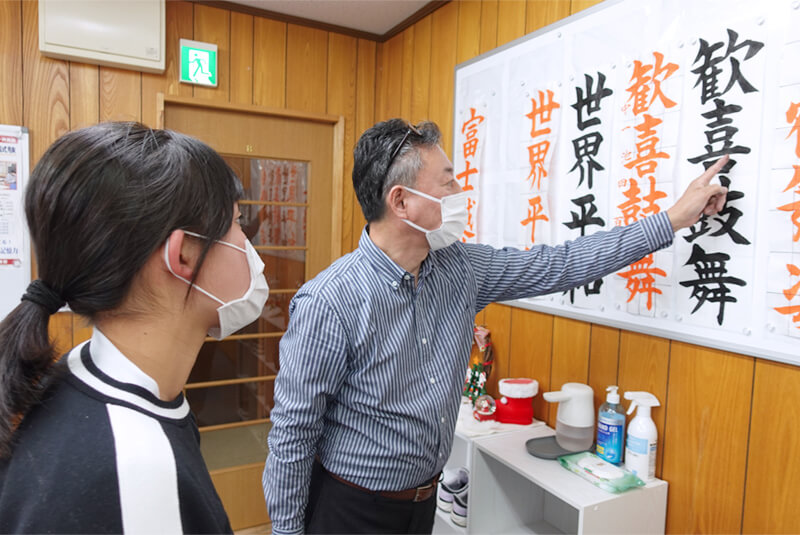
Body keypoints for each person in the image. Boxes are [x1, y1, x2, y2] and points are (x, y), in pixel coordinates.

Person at [262, 119, 728, 534]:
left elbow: (561, 265)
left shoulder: (460, 268)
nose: (459, 196)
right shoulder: (330, 300)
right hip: (350, 508)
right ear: (401, 201)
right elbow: (292, 431)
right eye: (448, 185)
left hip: (423, 503)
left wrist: (671, 220)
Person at [0, 122, 269, 533]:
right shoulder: (133, 471)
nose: (250, 250)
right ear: (184, 256)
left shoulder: (83, 373)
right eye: (236, 224)